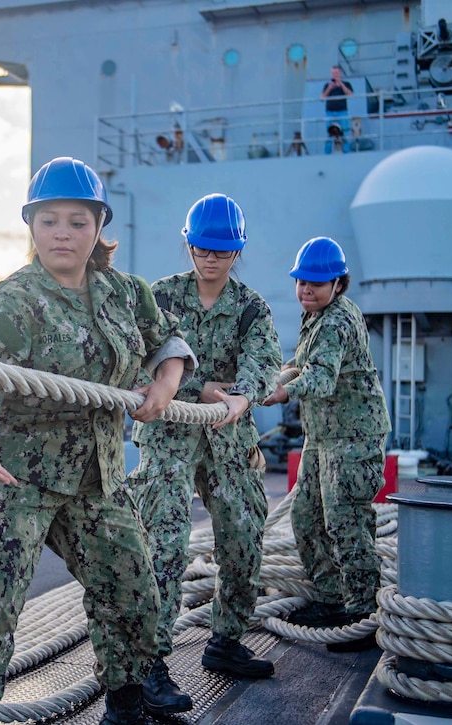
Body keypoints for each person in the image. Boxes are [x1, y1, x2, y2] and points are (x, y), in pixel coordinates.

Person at [0, 156, 197, 725]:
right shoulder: (13, 301)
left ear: (98, 227)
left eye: (76, 220)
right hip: (18, 473)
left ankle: (126, 701)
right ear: (31, 227)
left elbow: (167, 344)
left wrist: (165, 385)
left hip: (98, 476)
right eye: (48, 221)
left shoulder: (124, 294)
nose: (62, 233)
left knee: (133, 590)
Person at [129, 194, 282, 716]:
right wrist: (205, 388)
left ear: (237, 251)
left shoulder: (251, 308)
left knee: (243, 536)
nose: (210, 257)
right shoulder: (160, 298)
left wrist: (240, 396)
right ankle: (150, 661)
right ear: (188, 244)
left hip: (229, 436)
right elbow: (136, 359)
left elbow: (263, 363)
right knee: (164, 543)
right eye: (202, 247)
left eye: (221, 250)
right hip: (170, 435)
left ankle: (226, 640)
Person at [264, 237, 390, 652]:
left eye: (316, 284)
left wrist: (281, 394)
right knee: (306, 517)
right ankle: (331, 598)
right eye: (301, 282)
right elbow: (304, 363)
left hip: (353, 437)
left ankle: (363, 614)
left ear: (338, 283)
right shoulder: (317, 316)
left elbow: (320, 378)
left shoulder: (335, 321)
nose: (306, 290)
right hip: (323, 435)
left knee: (345, 521)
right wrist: (276, 376)